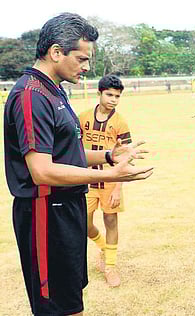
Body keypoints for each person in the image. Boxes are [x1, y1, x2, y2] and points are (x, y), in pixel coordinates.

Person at [3, 13, 153, 315]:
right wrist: (111, 175)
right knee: (57, 307)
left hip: (67, 208)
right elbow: (42, 170)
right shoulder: (31, 95)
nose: (86, 67)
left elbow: (66, 152)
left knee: (71, 302)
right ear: (56, 52)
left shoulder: (54, 90)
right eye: (81, 58)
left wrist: (110, 156)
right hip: (46, 213)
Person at [79, 75, 132, 287]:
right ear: (99, 93)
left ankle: (110, 266)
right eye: (109, 94)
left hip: (110, 180)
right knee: (83, 222)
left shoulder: (120, 122)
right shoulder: (82, 118)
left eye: (117, 96)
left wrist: (118, 188)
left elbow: (127, 156)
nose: (113, 100)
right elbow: (74, 147)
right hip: (87, 179)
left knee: (111, 220)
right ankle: (102, 246)